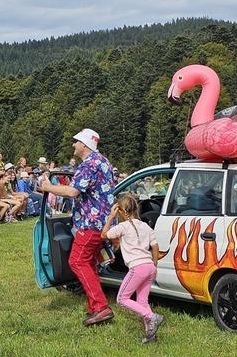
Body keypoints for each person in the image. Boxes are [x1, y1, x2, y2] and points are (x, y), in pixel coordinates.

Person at [40, 128, 115, 326]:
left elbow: (73, 192)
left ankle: (100, 307)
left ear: (84, 145)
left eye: (76, 141)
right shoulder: (102, 161)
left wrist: (48, 187)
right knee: (89, 263)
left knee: (77, 262)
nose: (73, 145)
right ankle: (94, 306)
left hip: (91, 222)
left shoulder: (89, 164)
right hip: (102, 221)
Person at [101, 195, 163, 343]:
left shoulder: (123, 227)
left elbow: (104, 235)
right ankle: (150, 335)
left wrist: (110, 217)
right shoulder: (145, 226)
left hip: (137, 267)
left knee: (122, 298)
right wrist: (154, 264)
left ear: (121, 211)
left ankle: (151, 316)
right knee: (142, 301)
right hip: (150, 266)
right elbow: (155, 246)